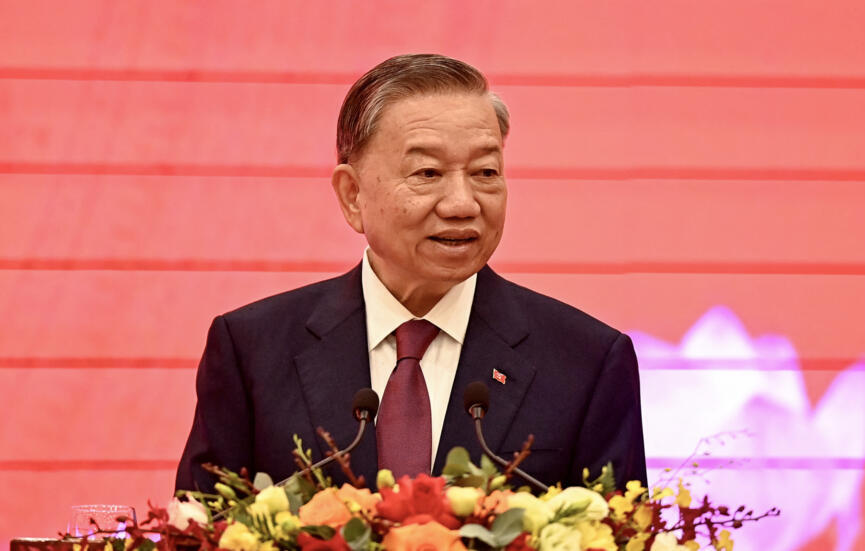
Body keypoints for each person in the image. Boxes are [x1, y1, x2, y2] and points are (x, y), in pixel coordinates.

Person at [176, 54, 646, 492]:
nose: (463, 204)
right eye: (426, 173)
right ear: (352, 195)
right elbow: (201, 527)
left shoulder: (587, 362)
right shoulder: (252, 350)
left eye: (485, 172)